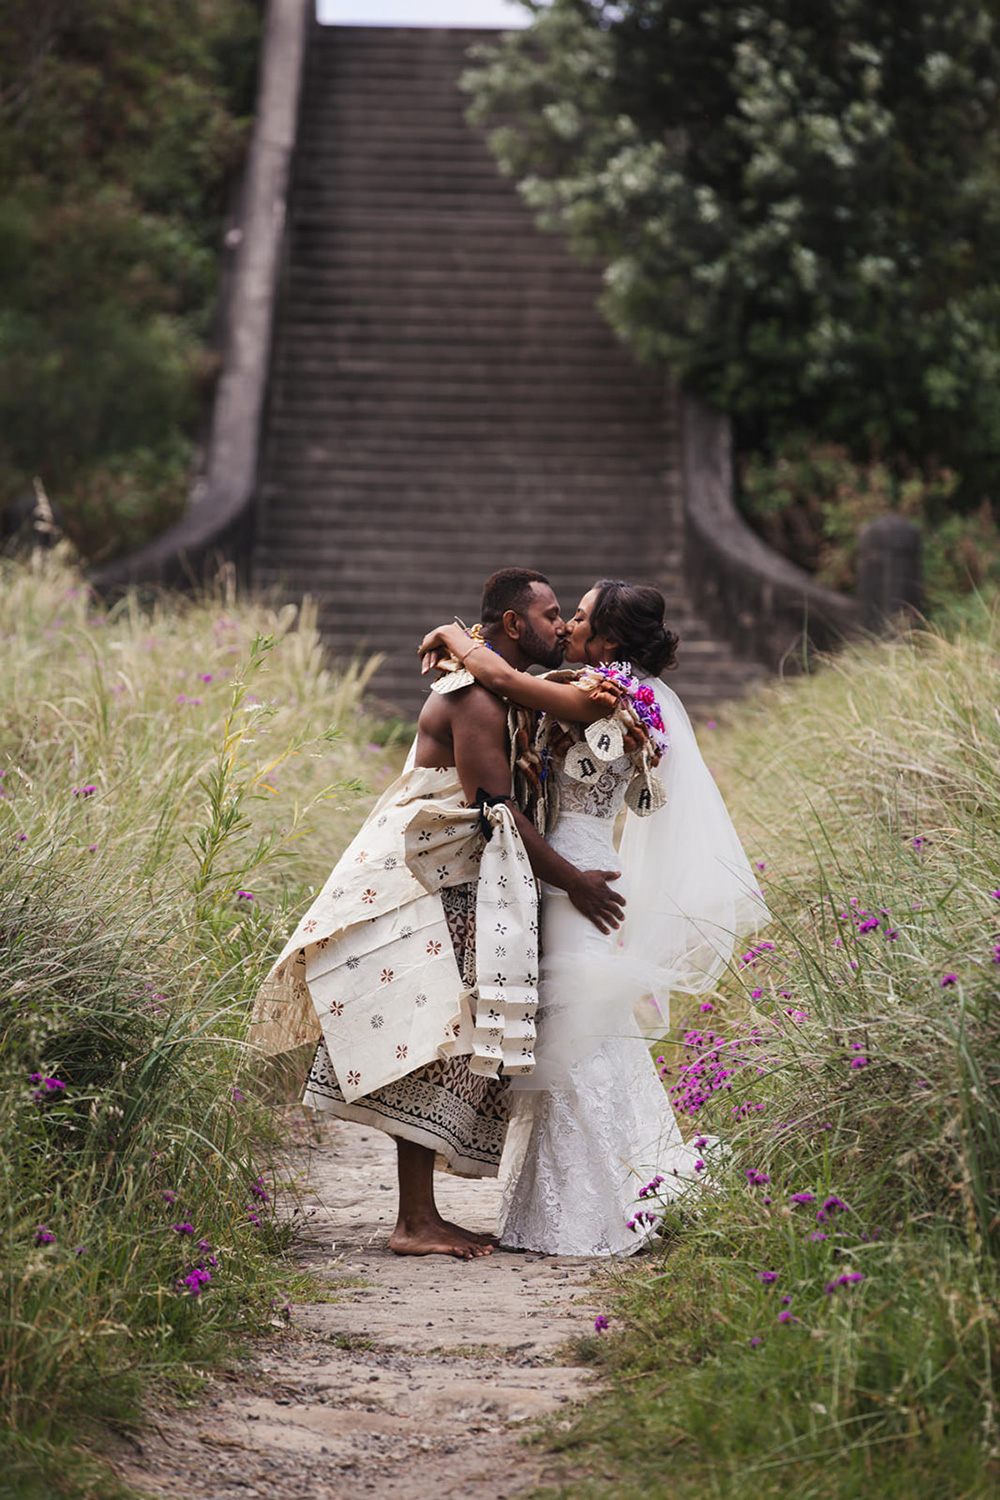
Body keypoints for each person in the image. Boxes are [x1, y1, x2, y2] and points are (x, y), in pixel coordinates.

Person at [251, 568, 626, 1260]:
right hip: (418, 881)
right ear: (514, 625)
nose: (560, 627)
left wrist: (459, 635)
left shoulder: (504, 687)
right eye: (549, 616)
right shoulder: (478, 698)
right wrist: (575, 881)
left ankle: (419, 1217)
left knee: (441, 1036)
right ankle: (415, 1222)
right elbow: (497, 812)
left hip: (455, 876)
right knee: (427, 1038)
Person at [418, 580, 766, 1256]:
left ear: (609, 642)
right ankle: (565, 1201)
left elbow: (494, 673)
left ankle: (603, 1204)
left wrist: (454, 634)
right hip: (573, 866)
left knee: (581, 1032)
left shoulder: (602, 697)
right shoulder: (622, 695)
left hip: (575, 873)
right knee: (578, 1029)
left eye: (579, 617)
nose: (569, 626)